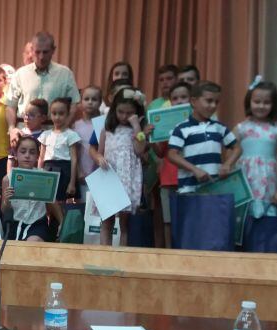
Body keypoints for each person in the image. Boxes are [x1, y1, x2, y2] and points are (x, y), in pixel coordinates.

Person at [90, 88, 150, 246]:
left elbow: (139, 150)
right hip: (110, 175)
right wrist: (99, 158)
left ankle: (121, 257)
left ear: (136, 112)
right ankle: (105, 254)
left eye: (129, 113)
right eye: (120, 112)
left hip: (127, 179)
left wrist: (136, 125)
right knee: (107, 221)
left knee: (125, 224)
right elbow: (99, 152)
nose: (124, 116)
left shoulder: (138, 132)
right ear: (114, 110)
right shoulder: (107, 128)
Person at [6, 31, 81, 146]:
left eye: (45, 52)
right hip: (24, 134)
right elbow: (11, 105)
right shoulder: (20, 74)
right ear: (32, 51)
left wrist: (63, 128)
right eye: (37, 52)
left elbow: (74, 105)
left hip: (54, 133)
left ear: (53, 50)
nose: (41, 57)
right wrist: (12, 129)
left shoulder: (65, 74)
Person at [167, 81, 238, 193]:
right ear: (194, 101)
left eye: (216, 102)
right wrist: (194, 170)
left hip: (215, 188)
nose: (214, 105)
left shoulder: (219, 127)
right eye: (209, 101)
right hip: (189, 189)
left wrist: (227, 165)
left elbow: (237, 148)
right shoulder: (181, 128)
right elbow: (172, 155)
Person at [233, 77, 277, 219]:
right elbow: (230, 157)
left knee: (267, 219)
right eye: (257, 102)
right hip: (244, 178)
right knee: (244, 218)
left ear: (273, 105)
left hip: (269, 180)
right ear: (249, 102)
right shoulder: (240, 129)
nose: (261, 106)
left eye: (267, 102)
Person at [1, 136, 62, 241]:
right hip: (15, 224)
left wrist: (62, 222)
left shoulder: (44, 176)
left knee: (34, 243)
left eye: (32, 152)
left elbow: (52, 202)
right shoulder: (8, 179)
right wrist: (6, 200)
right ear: (16, 154)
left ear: (37, 156)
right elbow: (4, 209)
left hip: (37, 223)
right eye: (23, 152)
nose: (27, 156)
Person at [154, 81, 191, 248]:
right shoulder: (165, 124)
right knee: (168, 221)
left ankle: (187, 251)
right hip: (168, 178)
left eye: (184, 97)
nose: (180, 101)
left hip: (190, 178)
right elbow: (160, 152)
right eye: (175, 98)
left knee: (188, 219)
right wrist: (151, 136)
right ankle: (170, 252)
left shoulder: (198, 124)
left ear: (192, 100)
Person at [38, 98, 80, 203]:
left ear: (67, 114)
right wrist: (38, 174)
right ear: (50, 114)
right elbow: (41, 158)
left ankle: (62, 219)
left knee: (62, 201)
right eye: (54, 113)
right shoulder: (45, 135)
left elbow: (74, 160)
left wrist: (72, 182)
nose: (57, 117)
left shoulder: (71, 135)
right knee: (49, 202)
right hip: (48, 170)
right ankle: (55, 220)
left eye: (61, 114)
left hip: (65, 171)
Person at [72, 85, 103, 200]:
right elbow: (74, 152)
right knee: (85, 207)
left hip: (101, 174)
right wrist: (79, 172)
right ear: (81, 101)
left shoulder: (104, 124)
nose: (90, 102)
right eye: (86, 99)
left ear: (100, 102)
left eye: (94, 99)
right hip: (83, 175)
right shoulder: (76, 126)